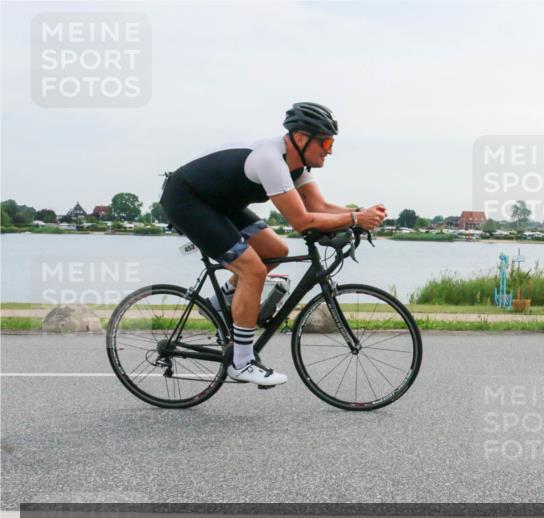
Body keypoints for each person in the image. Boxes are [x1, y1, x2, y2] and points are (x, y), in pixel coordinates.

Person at [160, 102, 386, 386]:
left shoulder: (297, 166)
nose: (330, 150)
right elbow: (302, 221)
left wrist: (360, 216)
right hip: (187, 200)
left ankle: (219, 304)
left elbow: (320, 205)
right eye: (326, 142)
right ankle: (241, 362)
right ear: (301, 138)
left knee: (275, 251)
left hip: (220, 204)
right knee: (252, 270)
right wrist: (354, 218)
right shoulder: (270, 160)